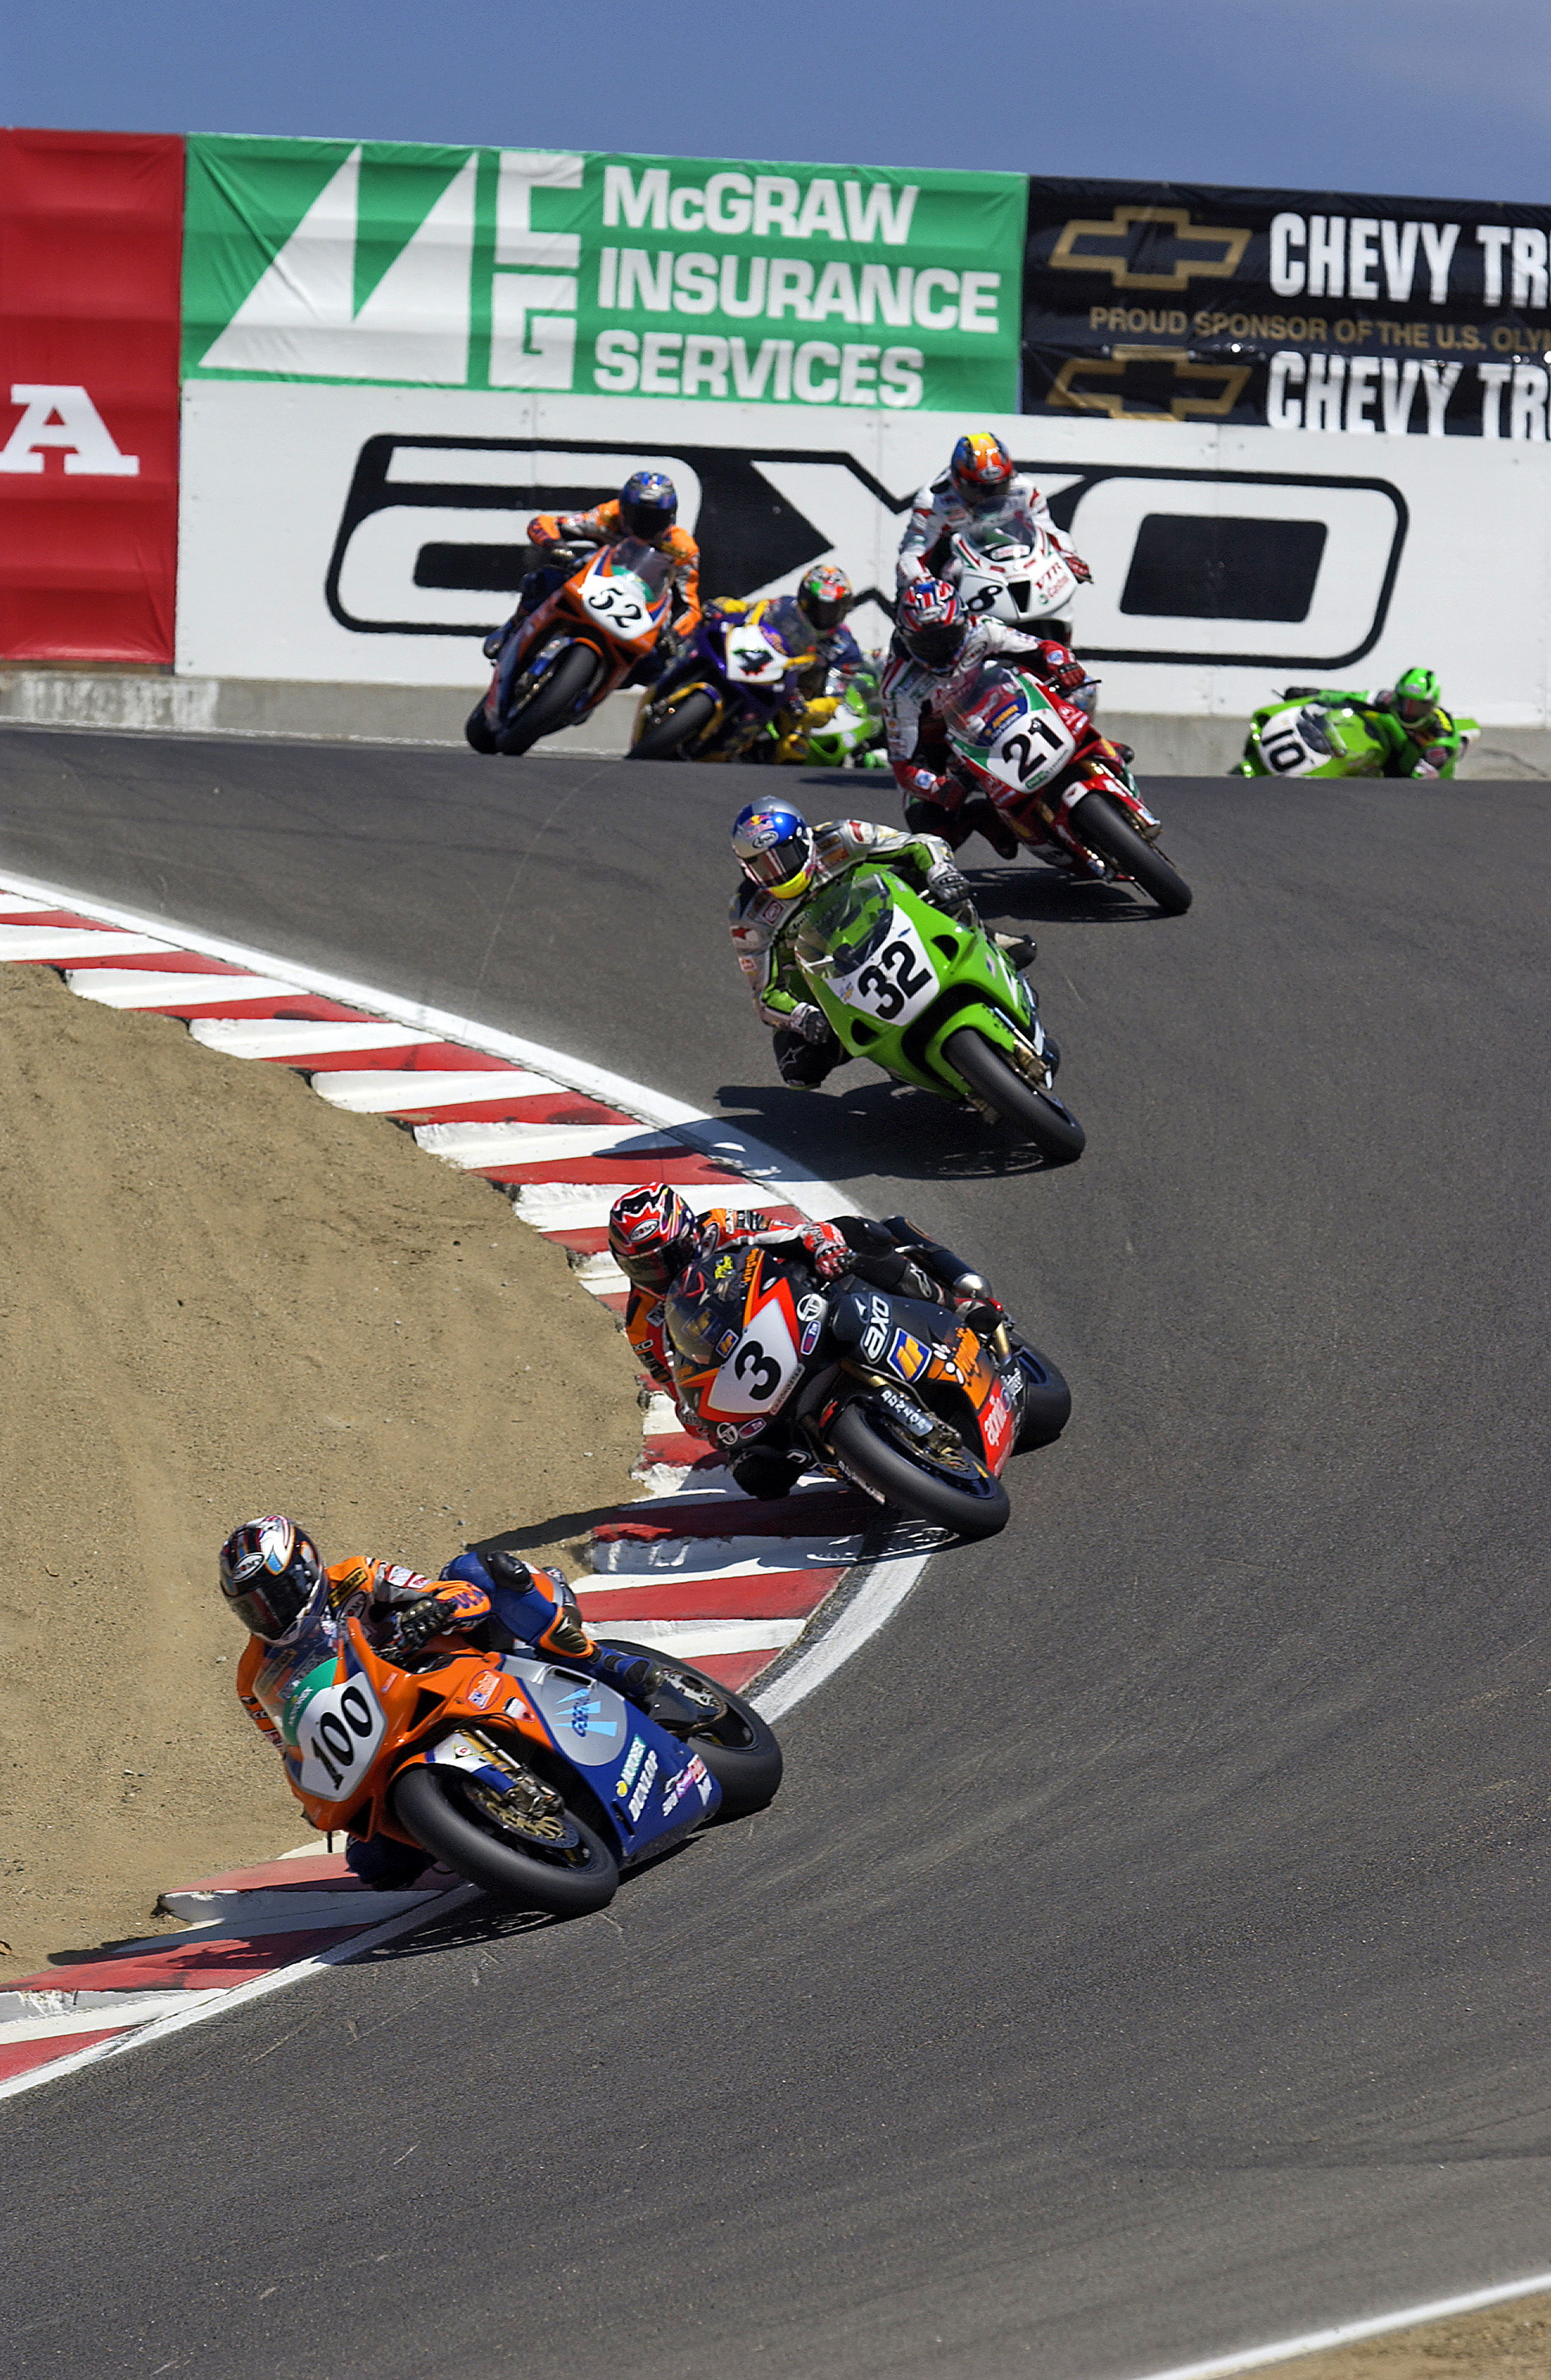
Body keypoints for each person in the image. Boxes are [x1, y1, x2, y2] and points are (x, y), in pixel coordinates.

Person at [220, 1515, 659, 1890]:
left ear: (306, 1569)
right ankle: (482, 1829)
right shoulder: (252, 1674)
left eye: (276, 1597)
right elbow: (287, 1741)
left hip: (451, 1660)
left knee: (480, 1570)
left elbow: (459, 1593)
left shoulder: (358, 1576)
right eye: (252, 1608)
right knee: (375, 1865)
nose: (269, 1614)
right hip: (380, 1728)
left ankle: (600, 1662)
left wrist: (435, 1610)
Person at [607, 1185, 1006, 1499]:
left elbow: (794, 1234)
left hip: (800, 1302)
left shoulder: (721, 1226)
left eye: (669, 1254)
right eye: (645, 1266)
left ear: (689, 1231)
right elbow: (677, 1386)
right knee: (756, 1477)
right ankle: (845, 1454)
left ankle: (950, 1302)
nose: (663, 1271)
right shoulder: (641, 1322)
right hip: (754, 1371)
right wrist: (696, 1416)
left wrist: (826, 1247)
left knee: (857, 1232)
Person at [726, 797, 1028, 1089]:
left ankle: (983, 940)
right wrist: (801, 1016)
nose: (777, 873)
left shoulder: (841, 837)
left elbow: (920, 844)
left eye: (784, 857)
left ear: (803, 840)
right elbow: (764, 994)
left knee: (930, 879)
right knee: (800, 1067)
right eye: (761, 867)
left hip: (890, 917)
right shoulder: (749, 915)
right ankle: (892, 1056)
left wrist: (941, 870)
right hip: (827, 975)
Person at [881, 577, 1101, 857]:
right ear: (906, 638)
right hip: (945, 751)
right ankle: (983, 816)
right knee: (933, 838)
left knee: (1082, 691)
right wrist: (939, 788)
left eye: (949, 636)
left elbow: (1043, 648)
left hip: (1006, 708)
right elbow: (905, 764)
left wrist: (1063, 664)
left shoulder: (983, 630)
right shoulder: (899, 688)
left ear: (963, 621)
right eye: (927, 643)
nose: (941, 650)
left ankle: (1099, 749)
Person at [484, 468, 702, 672]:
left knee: (657, 662)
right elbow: (544, 523)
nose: (646, 524)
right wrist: (555, 546)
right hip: (594, 583)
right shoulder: (608, 516)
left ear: (671, 517)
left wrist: (675, 635)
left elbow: (689, 606)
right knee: (547, 579)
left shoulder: (683, 549)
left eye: (656, 518)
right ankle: (512, 628)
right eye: (639, 515)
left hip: (641, 606)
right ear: (623, 508)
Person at [896, 431, 1091, 602]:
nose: (988, 497)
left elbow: (1048, 531)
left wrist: (1070, 557)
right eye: (977, 489)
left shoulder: (1025, 490)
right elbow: (913, 553)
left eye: (999, 488)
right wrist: (922, 584)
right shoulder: (934, 500)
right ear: (957, 480)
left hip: (1009, 560)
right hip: (950, 561)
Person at [1277, 666, 1466, 777]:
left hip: (1419, 777)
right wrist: (1310, 694)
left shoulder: (1440, 742)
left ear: (1432, 706)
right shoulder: (1387, 699)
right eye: (1404, 703)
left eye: (1417, 707)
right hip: (1393, 747)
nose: (1408, 712)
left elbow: (1418, 783)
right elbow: (1349, 697)